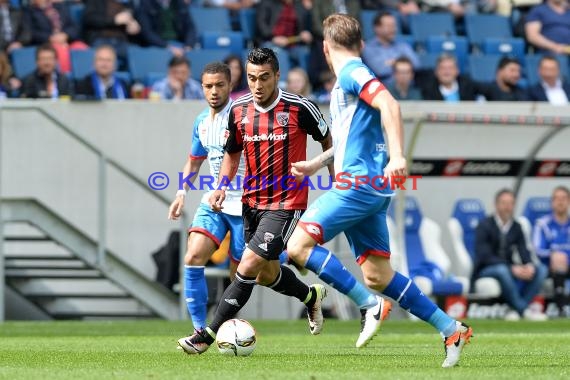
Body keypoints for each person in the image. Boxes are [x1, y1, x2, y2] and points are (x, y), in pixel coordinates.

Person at [285, 14, 473, 368]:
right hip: (370, 187)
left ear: (325, 48)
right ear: (362, 42)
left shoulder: (352, 72)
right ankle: (451, 329)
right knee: (377, 275)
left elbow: (391, 104)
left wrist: (399, 154)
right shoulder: (350, 78)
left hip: (358, 185)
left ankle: (369, 304)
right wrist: (315, 164)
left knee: (297, 246)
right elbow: (348, 136)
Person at [177, 47, 386, 355]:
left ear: (277, 76)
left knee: (246, 267)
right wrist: (221, 185)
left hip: (287, 203)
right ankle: (310, 296)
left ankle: (205, 335)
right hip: (252, 203)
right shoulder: (238, 111)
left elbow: (329, 138)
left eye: (264, 78)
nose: (257, 85)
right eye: (251, 79)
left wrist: (332, 173)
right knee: (265, 273)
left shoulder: (300, 108)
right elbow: (232, 154)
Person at [167, 61, 248, 330]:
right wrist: (181, 193)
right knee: (193, 256)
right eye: (208, 86)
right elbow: (193, 162)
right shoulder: (201, 121)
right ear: (202, 88)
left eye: (219, 85)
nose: (214, 91)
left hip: (245, 204)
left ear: (230, 85)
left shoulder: (241, 117)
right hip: (214, 201)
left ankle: (289, 257)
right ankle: (200, 329)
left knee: (242, 274)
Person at [474, 189, 548, 321]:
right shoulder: (484, 225)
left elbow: (524, 250)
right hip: (486, 269)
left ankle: (515, 310)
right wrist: (511, 268)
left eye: (510, 203)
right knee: (502, 270)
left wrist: (528, 265)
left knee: (541, 270)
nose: (507, 207)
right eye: (504, 203)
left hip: (508, 267)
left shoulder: (516, 226)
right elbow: (484, 256)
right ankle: (523, 309)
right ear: (496, 205)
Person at [533, 186, 570, 317]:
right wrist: (552, 255)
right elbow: (537, 250)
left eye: (564, 198)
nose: (560, 202)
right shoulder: (542, 224)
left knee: (562, 260)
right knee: (558, 262)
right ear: (552, 202)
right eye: (557, 199)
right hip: (549, 266)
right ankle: (562, 308)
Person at [24, 0, 88, 74]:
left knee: (81, 47)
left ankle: (85, 80)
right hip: (48, 43)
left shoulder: (60, 7)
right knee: (60, 51)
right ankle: (65, 79)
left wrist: (65, 35)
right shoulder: (29, 11)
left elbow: (74, 27)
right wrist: (50, 38)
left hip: (67, 40)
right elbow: (31, 33)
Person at [361, 11, 419, 82]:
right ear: (377, 28)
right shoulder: (368, 48)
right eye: (388, 26)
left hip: (407, 89)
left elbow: (416, 64)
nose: (393, 29)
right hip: (383, 90)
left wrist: (391, 62)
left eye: (394, 25)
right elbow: (380, 70)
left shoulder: (402, 45)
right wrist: (403, 63)